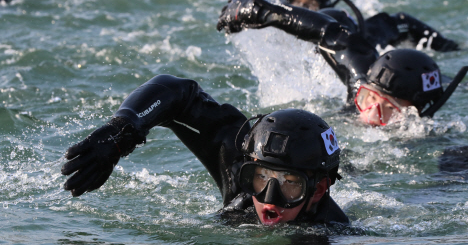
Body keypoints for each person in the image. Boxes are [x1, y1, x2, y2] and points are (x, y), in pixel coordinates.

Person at [61, 75, 349, 226]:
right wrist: (122, 133)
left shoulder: (331, 234)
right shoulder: (241, 157)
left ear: (320, 190)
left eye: (289, 186)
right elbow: (175, 91)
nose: (269, 201)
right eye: (259, 177)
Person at [217, 0, 468, 126]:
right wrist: (265, 12)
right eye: (367, 99)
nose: (368, 117)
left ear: (417, 114)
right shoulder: (366, 75)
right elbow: (330, 33)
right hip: (367, 38)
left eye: (388, 110)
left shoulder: (430, 134)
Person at [285, 0, 460, 52]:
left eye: (310, 5)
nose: (304, 10)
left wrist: (447, 46)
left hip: (375, 32)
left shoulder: (355, 36)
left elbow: (402, 20)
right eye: (298, 4)